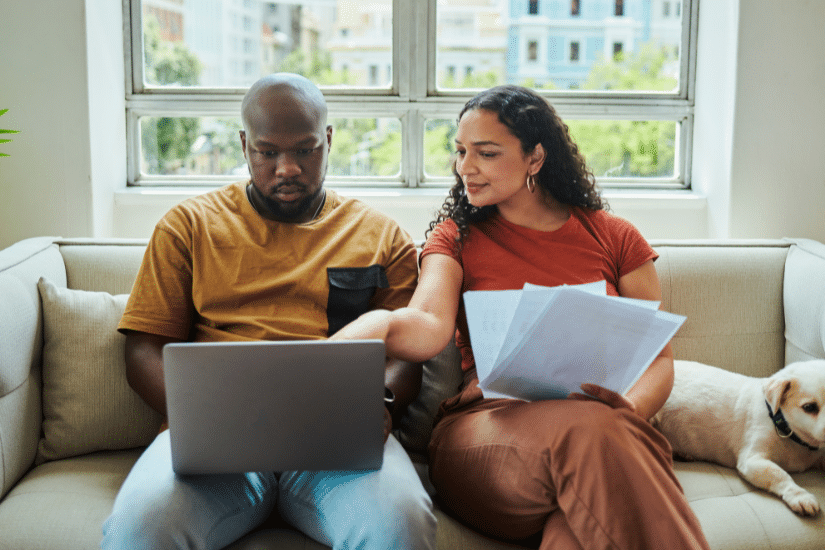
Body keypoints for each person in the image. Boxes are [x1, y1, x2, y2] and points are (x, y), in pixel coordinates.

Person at [331, 85, 711, 550]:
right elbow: (428, 323)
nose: (464, 167)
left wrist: (627, 411)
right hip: (486, 434)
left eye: (486, 154)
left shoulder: (615, 237)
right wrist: (374, 328)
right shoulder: (456, 237)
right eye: (461, 151)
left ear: (535, 158)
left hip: (599, 439)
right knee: (592, 433)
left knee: (577, 521)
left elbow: (656, 359)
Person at [101, 73, 436, 550]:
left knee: (400, 524)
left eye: (305, 150)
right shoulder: (188, 227)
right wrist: (211, 420)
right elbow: (142, 352)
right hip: (216, 449)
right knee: (141, 529)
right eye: (267, 152)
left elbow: (407, 356)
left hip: (336, 448)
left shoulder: (381, 237)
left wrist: (379, 403)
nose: (288, 168)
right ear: (244, 145)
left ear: (329, 141)